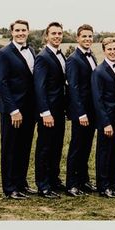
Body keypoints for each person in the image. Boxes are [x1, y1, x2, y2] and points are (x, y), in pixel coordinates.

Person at [0, 18, 36, 199]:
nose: (20, 33)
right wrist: (13, 110)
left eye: (23, 30)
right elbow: (2, 84)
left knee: (24, 147)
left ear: (28, 31)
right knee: (10, 148)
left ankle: (21, 183)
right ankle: (10, 188)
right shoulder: (3, 53)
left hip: (30, 109)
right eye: (17, 30)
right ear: (12, 32)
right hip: (12, 110)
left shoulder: (32, 50)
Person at [33, 21, 67, 198]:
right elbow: (39, 87)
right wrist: (45, 112)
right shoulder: (43, 57)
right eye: (53, 33)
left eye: (59, 33)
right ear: (46, 36)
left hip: (60, 110)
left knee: (56, 147)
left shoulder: (61, 55)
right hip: (48, 112)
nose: (57, 36)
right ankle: (43, 185)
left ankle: (54, 180)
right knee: (45, 148)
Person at [65, 24, 98, 196]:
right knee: (77, 147)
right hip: (81, 112)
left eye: (90, 36)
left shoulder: (91, 56)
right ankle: (71, 184)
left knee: (86, 147)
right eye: (84, 36)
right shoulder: (73, 59)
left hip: (92, 110)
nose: (87, 39)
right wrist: (81, 113)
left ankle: (84, 181)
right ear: (77, 38)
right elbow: (73, 88)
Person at [91, 37, 115, 197]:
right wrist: (105, 123)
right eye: (109, 49)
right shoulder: (99, 71)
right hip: (107, 120)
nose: (112, 52)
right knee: (104, 153)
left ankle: (114, 182)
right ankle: (103, 186)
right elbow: (97, 100)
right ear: (104, 51)